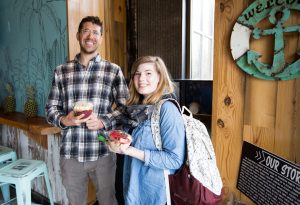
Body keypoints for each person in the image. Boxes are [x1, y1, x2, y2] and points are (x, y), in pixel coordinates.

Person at [45, 16, 129, 205]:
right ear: (78, 35)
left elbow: (125, 109)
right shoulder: (61, 71)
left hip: (102, 152)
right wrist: (64, 120)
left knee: (108, 200)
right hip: (71, 154)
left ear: (100, 39)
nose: (90, 36)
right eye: (86, 31)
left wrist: (103, 121)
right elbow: (50, 109)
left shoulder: (112, 70)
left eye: (95, 33)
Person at [108, 56, 186, 205]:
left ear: (160, 77)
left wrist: (129, 150)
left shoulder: (167, 109)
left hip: (154, 193)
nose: (141, 78)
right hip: (132, 186)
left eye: (148, 73)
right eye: (137, 73)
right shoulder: (134, 108)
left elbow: (174, 160)